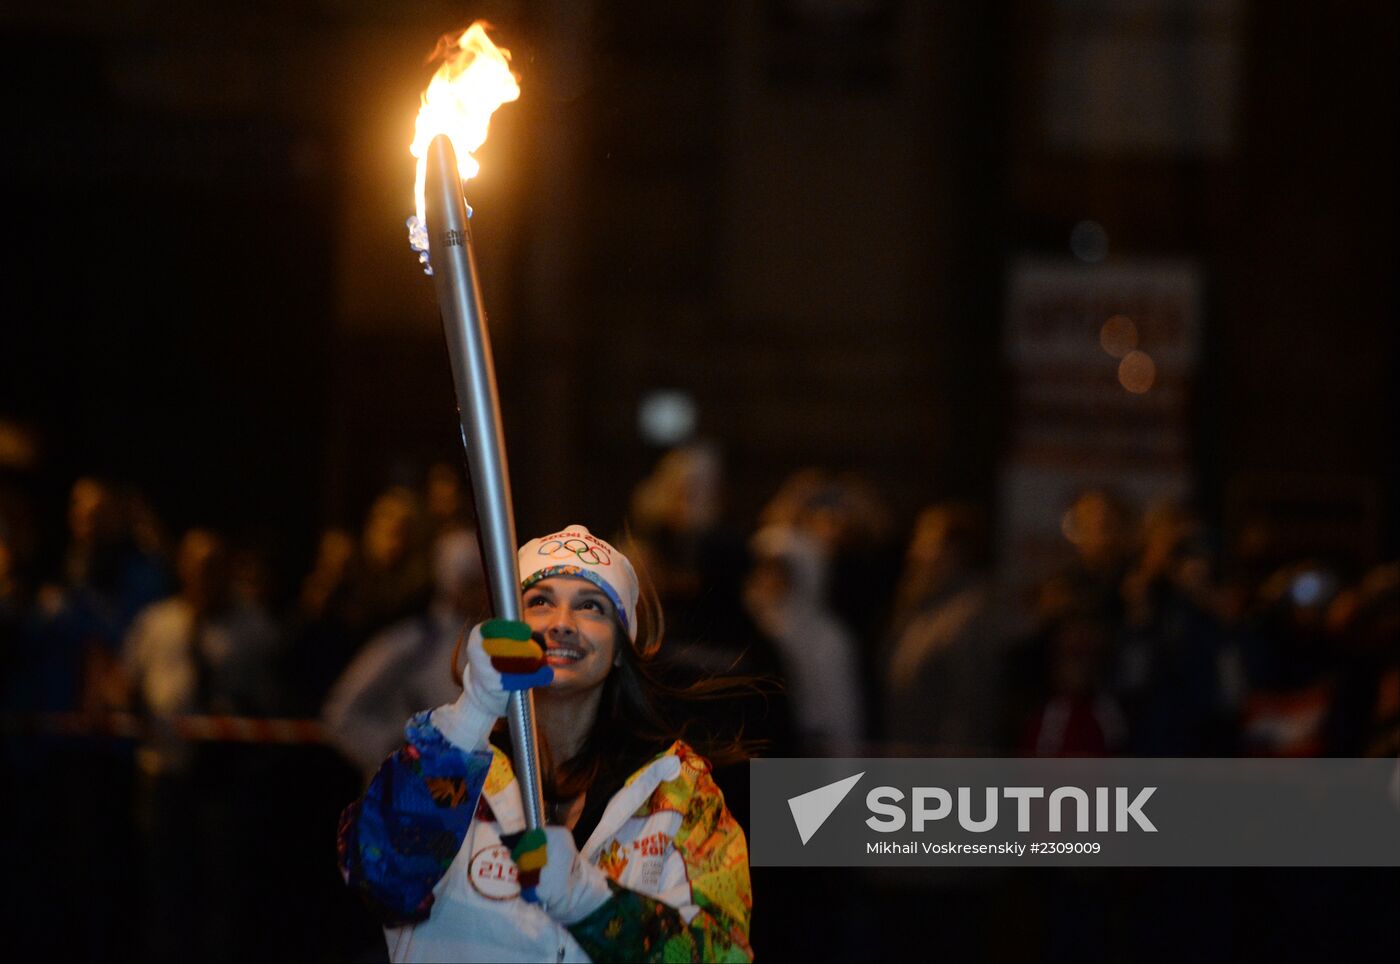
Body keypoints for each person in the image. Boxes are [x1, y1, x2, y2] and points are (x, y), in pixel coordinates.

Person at [339, 525, 753, 962]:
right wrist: (474, 710)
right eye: (539, 602)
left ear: (618, 648)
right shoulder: (452, 761)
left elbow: (724, 956)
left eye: (591, 606)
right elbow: (378, 879)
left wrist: (590, 901)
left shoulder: (677, 791)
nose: (562, 624)